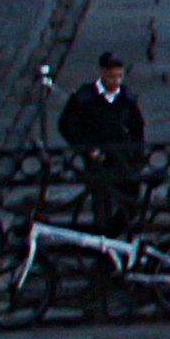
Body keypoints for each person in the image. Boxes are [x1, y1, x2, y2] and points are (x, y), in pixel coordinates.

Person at [58, 53, 152, 236]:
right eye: (111, 76)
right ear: (102, 73)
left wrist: (137, 155)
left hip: (122, 158)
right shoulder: (85, 98)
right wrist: (85, 148)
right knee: (102, 202)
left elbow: (137, 128)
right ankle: (102, 241)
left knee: (130, 200)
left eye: (119, 76)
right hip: (98, 159)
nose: (115, 81)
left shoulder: (126, 98)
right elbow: (67, 125)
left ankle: (118, 234)